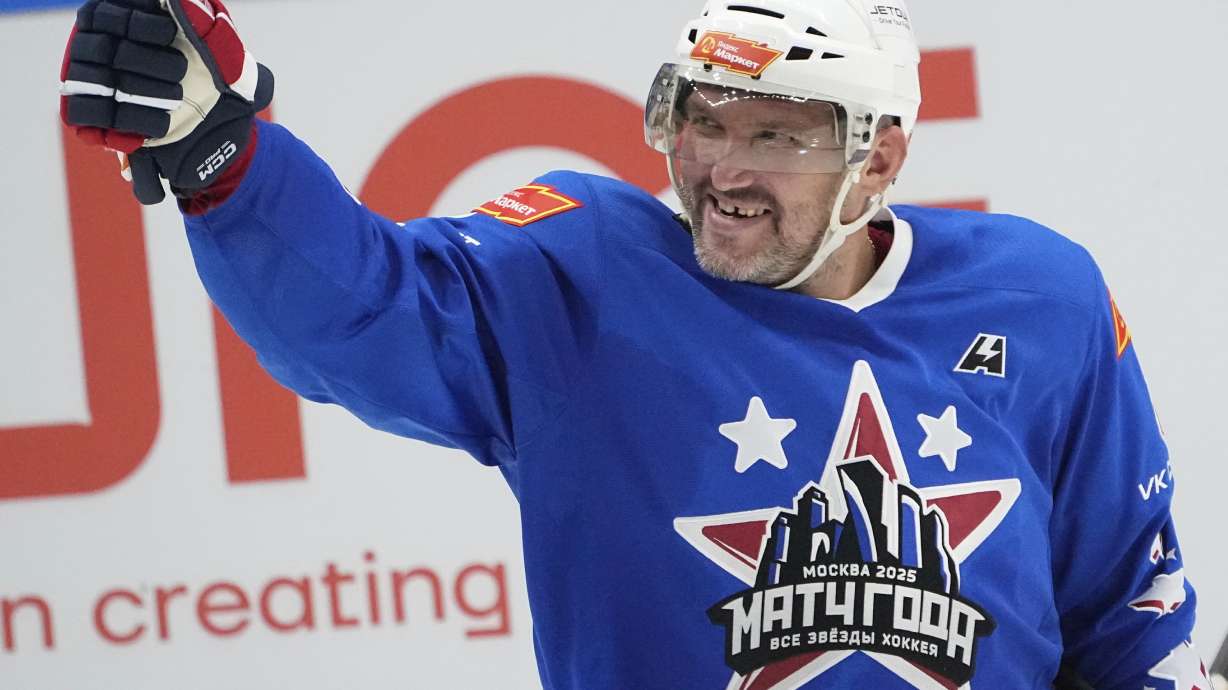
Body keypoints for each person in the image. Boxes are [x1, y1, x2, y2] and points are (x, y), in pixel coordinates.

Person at [58, 0, 1211, 687]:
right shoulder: (579, 276)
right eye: (702, 122)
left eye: (777, 136)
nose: (724, 172)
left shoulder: (1040, 295)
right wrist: (229, 158)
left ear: (882, 158)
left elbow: (1122, 610)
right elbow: (359, 311)